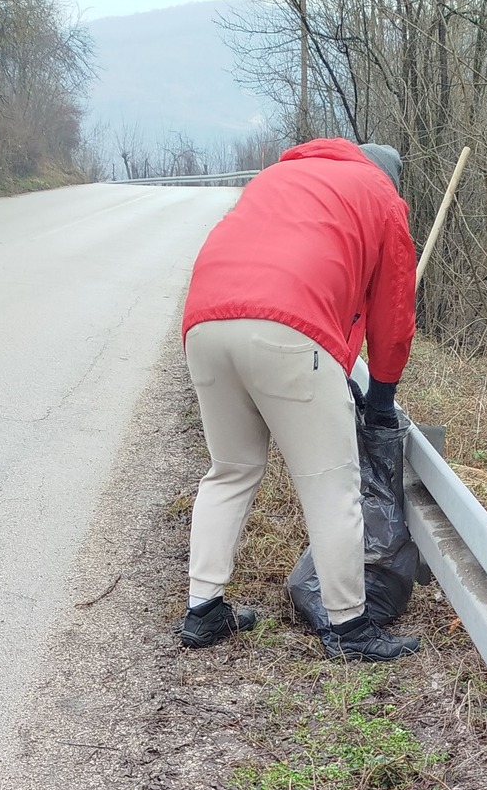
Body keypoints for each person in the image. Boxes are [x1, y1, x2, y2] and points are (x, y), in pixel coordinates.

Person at [179, 137, 421, 661]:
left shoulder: (278, 176)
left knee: (231, 470)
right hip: (288, 329)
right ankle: (350, 628)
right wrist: (382, 398)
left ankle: (203, 609)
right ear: (389, 178)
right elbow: (393, 316)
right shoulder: (382, 197)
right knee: (333, 486)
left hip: (204, 322)